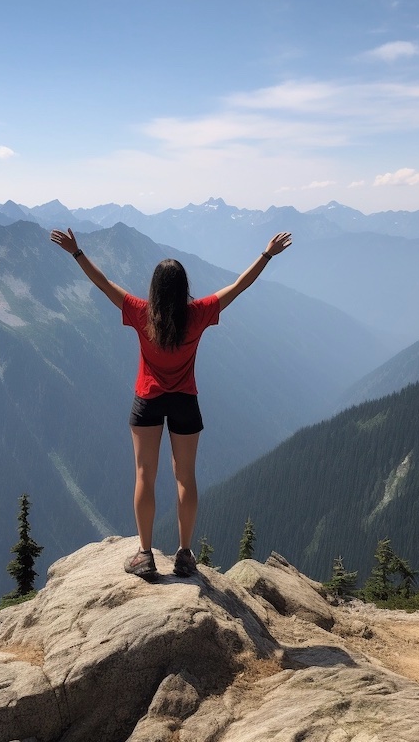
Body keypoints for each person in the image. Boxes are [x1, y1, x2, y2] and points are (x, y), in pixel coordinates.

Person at [50, 227, 292, 579]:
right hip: (185, 402)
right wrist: (267, 254)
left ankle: (145, 555)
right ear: (183, 289)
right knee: (185, 478)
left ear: (154, 289)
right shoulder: (197, 314)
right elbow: (239, 286)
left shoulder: (140, 312)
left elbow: (103, 283)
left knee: (144, 476)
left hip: (147, 399)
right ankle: (184, 554)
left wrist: (76, 253)